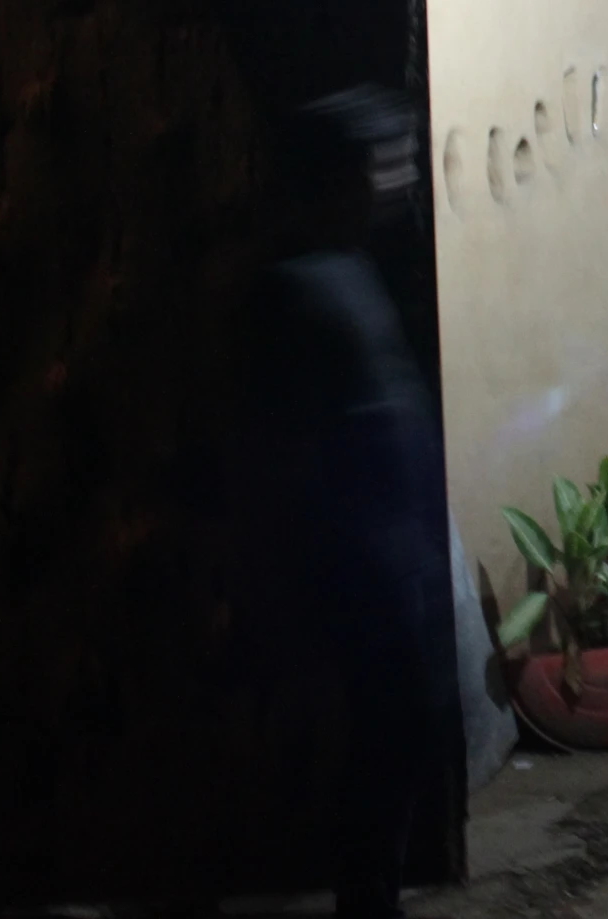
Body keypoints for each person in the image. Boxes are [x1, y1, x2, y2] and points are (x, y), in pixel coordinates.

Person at [251, 87, 444, 919]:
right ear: (333, 180)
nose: (387, 184)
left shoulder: (348, 273)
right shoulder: (292, 290)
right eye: (373, 167)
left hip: (388, 563)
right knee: (382, 748)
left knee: (394, 746)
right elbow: (285, 458)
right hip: (359, 571)